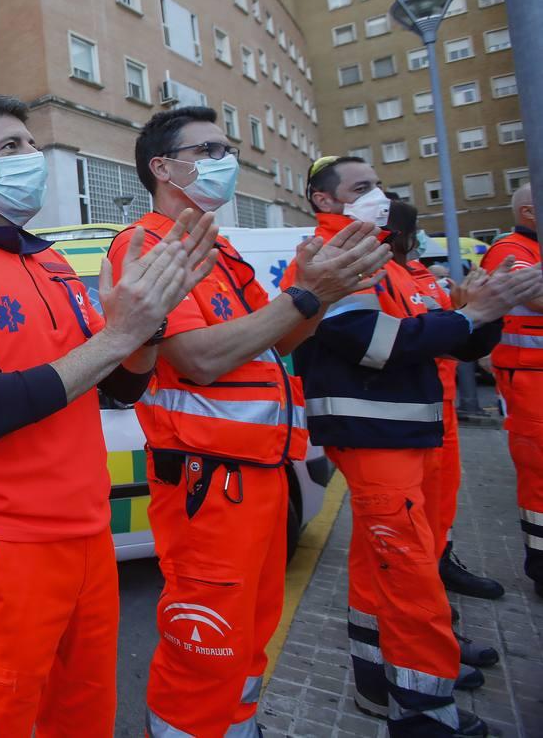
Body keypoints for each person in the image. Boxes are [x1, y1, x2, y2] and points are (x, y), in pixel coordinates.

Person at [0, 95, 217, 737]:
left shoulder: (50, 263)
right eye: (11, 147)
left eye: (31, 145)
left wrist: (150, 323)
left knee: (83, 718)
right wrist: (114, 337)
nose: (32, 158)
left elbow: (119, 390)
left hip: (88, 538)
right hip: (4, 546)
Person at [114, 108, 391, 738]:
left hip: (260, 477)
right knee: (204, 647)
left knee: (248, 640)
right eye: (208, 149)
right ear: (163, 167)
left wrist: (320, 291)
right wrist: (306, 295)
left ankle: (239, 725)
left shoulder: (220, 250)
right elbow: (200, 359)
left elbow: (275, 345)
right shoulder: (150, 247)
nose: (225, 159)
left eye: (225, 147)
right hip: (209, 486)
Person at [287, 157, 541, 737]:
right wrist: (472, 312)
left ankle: (383, 685)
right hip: (376, 434)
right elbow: (373, 342)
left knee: (383, 567)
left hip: (399, 431)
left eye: (378, 185)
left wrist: (479, 312)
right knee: (409, 579)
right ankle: (425, 714)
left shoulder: (378, 257)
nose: (380, 196)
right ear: (324, 201)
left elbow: (436, 337)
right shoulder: (335, 259)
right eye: (363, 187)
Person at [388, 205, 503, 672]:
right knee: (412, 537)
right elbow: (407, 339)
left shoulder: (418, 275)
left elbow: (451, 334)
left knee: (440, 515)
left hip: (440, 410)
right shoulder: (383, 279)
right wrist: (466, 313)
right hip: (407, 420)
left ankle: (440, 587)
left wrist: (473, 312)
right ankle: (431, 633)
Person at [480, 183, 543, 599]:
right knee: (539, 478)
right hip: (530, 382)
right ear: (529, 212)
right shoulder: (510, 250)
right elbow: (535, 294)